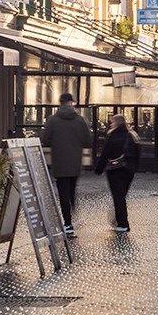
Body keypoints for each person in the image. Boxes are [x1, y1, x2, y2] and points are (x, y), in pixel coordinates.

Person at [40, 92, 92, 237]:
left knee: (63, 192)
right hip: (75, 162)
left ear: (60, 103)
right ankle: (72, 208)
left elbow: (45, 139)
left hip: (59, 162)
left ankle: (68, 223)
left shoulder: (52, 120)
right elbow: (88, 140)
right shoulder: (80, 120)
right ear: (71, 103)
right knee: (71, 189)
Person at [94, 114, 141, 233]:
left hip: (115, 170)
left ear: (116, 123)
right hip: (129, 170)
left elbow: (105, 153)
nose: (111, 124)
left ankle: (122, 223)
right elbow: (138, 152)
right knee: (122, 195)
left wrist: (99, 169)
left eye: (112, 122)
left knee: (118, 196)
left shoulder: (112, 135)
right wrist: (134, 166)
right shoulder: (133, 135)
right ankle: (120, 219)